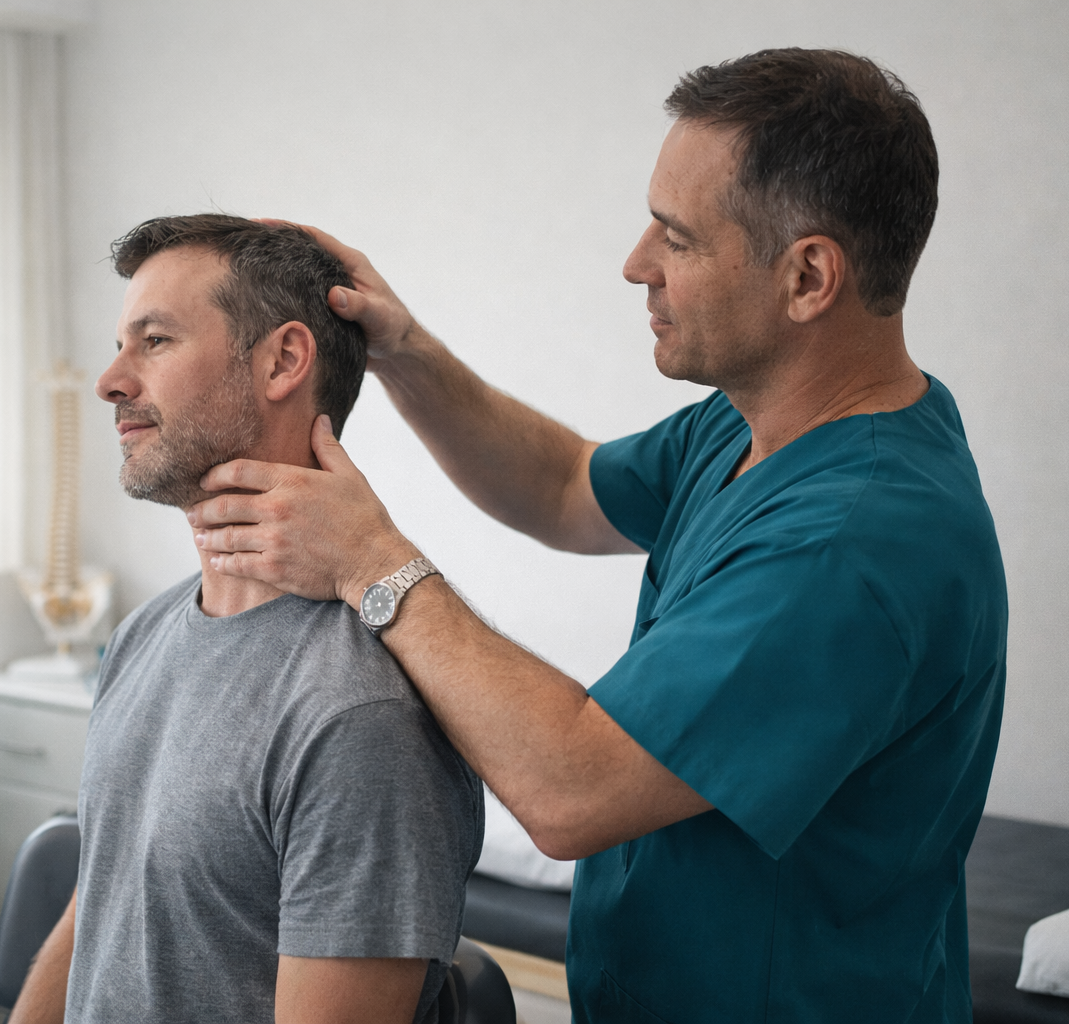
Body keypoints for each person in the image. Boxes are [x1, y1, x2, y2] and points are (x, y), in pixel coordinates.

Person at [188, 49, 1009, 1022]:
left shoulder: (856, 541)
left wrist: (372, 561)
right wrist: (404, 354)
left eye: (678, 238)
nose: (635, 264)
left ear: (809, 277)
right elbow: (562, 485)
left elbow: (572, 788)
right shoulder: (754, 425)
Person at [9, 215, 483, 1024]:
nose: (111, 381)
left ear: (282, 361)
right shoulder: (141, 637)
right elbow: (105, 900)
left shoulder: (360, 716)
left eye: (154, 341)